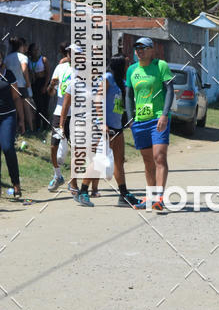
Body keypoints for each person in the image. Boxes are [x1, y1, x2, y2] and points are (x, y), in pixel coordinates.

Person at [60, 54, 139, 207]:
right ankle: (83, 192)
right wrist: (102, 123)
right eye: (126, 64)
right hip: (106, 127)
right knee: (99, 160)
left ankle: (123, 194)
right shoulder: (108, 77)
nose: (127, 67)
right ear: (119, 65)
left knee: (119, 161)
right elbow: (98, 98)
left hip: (117, 126)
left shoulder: (121, 82)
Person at [125, 38, 174, 213]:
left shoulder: (160, 66)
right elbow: (128, 95)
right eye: (137, 48)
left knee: (159, 156)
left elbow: (170, 90)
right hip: (140, 121)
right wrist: (130, 118)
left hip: (157, 119)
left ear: (152, 50)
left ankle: (159, 198)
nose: (139, 51)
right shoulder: (132, 69)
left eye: (143, 48)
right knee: (147, 161)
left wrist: (164, 114)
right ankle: (151, 196)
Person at [47, 43, 78, 194]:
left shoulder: (83, 71)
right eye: (69, 52)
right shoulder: (60, 68)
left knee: (76, 149)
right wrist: (51, 86)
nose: (71, 55)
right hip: (59, 112)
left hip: (76, 114)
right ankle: (58, 175)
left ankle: (74, 181)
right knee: (53, 146)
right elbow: (51, 93)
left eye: (74, 52)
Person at [0, 47, 22, 200]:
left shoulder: (9, 75)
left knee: (7, 148)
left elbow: (17, 98)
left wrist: (22, 119)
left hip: (8, 117)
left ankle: (16, 183)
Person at [5, 37, 32, 135]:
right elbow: (24, 69)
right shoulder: (23, 57)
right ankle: (28, 129)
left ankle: (15, 129)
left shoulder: (7, 57)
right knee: (26, 108)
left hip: (10, 86)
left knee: (13, 108)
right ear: (21, 46)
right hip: (21, 85)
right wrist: (27, 81)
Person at [27, 42, 50, 131]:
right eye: (34, 50)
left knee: (45, 105)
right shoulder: (29, 60)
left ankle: (45, 126)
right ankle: (37, 126)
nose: (36, 51)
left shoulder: (43, 59)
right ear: (31, 51)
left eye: (37, 49)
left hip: (44, 82)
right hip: (35, 83)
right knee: (38, 106)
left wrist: (45, 86)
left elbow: (48, 74)